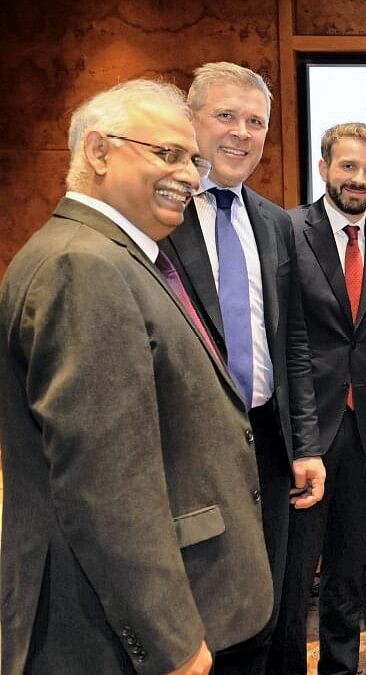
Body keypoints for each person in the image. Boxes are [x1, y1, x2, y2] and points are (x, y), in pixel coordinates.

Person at [0, 79, 272, 674]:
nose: (189, 174)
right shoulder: (82, 266)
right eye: (167, 154)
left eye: (192, 160)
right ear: (98, 152)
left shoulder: (118, 253)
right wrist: (170, 640)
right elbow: (104, 484)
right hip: (113, 627)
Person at [161, 62, 324, 674]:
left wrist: (305, 445)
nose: (242, 133)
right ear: (190, 121)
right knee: (204, 606)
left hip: (269, 442)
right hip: (188, 452)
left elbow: (293, 344)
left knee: (272, 598)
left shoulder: (274, 222)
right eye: (226, 116)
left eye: (256, 122)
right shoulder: (159, 218)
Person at [269, 123, 366, 675]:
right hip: (305, 435)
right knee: (293, 571)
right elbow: (281, 339)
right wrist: (300, 436)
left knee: (349, 567)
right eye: (349, 167)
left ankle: (340, 666)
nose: (360, 179)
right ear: (324, 169)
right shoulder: (286, 231)